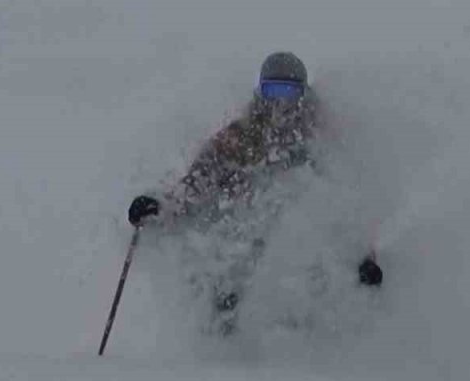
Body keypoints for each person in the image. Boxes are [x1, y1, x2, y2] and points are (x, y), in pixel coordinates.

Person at [127, 52, 382, 331]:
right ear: (261, 93)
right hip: (246, 236)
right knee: (232, 246)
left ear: (303, 95)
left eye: (289, 92)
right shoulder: (240, 138)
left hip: (301, 249)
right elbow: (196, 184)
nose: (280, 103)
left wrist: (364, 257)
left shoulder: (320, 139)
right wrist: (161, 206)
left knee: (309, 243)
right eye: (273, 91)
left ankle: (310, 333)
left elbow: (346, 200)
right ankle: (224, 330)